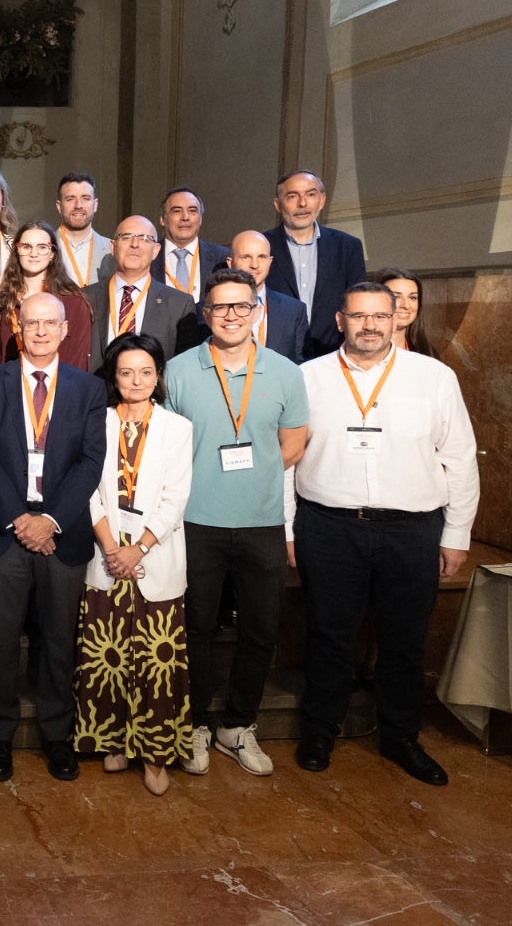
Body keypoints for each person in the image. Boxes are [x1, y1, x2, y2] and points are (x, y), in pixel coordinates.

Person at [292, 283, 479, 786]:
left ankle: (401, 738)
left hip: (412, 529)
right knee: (328, 635)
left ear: (397, 318)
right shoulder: (308, 378)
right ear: (340, 321)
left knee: (404, 640)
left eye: (380, 316)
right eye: (359, 316)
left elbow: (459, 458)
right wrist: (290, 528)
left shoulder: (434, 378)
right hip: (330, 526)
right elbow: (286, 459)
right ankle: (319, 732)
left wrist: (457, 533)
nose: (369, 325)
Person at [164, 269, 308, 779]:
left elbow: (294, 441)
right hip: (196, 521)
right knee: (197, 627)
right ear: (206, 314)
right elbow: (167, 445)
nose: (231, 316)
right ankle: (198, 722)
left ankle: (239, 724)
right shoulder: (179, 371)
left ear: (257, 311)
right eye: (221, 307)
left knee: (261, 628)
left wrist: (257, 476)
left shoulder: (287, 372)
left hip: (262, 521)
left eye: (241, 306)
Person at [0, 292, 106, 784]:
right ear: (18, 328)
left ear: (65, 330)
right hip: (5, 533)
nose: (40, 331)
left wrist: (50, 519)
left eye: (49, 323)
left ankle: (57, 736)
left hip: (62, 534)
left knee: (59, 642)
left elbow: (90, 463)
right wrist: (17, 518)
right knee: (1, 642)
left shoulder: (87, 388)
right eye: (31, 324)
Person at [74, 333, 195, 797]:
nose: (136, 380)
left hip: (153, 554)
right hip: (106, 552)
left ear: (158, 375)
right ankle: (111, 740)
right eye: (126, 372)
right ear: (113, 376)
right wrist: (111, 547)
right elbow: (88, 489)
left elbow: (176, 497)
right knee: (108, 656)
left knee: (156, 660)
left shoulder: (177, 428)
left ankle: (155, 752)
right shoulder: (96, 422)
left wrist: (137, 548)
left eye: (146, 371)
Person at [263, 170, 367, 359]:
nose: (302, 203)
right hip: (274, 355)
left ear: (322, 200)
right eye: (292, 196)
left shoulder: (348, 246)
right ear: (278, 205)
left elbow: (357, 303)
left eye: (311, 195)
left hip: (332, 354)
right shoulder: (261, 245)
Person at [84, 215, 198, 371]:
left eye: (144, 238)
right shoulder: (85, 298)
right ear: (112, 247)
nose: (135, 244)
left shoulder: (179, 305)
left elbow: (184, 367)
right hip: (98, 392)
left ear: (156, 250)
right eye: (126, 237)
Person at [0, 220, 91, 370]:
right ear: (17, 252)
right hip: (11, 388)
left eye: (42, 247)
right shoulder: (3, 301)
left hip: (60, 388)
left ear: (52, 254)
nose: (33, 253)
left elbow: (78, 360)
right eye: (26, 247)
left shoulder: (74, 303)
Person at [226, 230, 308, 364]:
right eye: (246, 257)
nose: (254, 265)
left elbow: (301, 365)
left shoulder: (294, 311)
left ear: (270, 262)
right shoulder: (208, 309)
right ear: (230, 263)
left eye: (261, 257)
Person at [151, 187, 230, 303]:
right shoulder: (148, 256)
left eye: (192, 211)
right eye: (177, 211)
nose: (185, 217)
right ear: (163, 219)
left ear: (200, 219)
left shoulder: (222, 258)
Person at [54, 172, 115, 288]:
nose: (78, 205)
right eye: (70, 199)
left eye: (85, 198)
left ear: (95, 205)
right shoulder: (43, 247)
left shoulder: (112, 249)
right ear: (59, 206)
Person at [371, 266, 439, 358]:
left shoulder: (427, 352)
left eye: (412, 297)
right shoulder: (361, 351)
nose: (406, 305)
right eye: (396, 297)